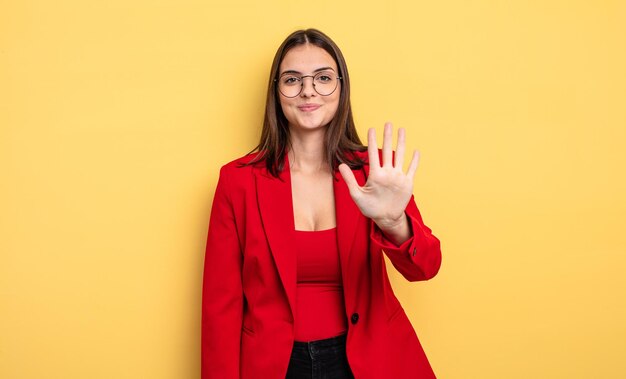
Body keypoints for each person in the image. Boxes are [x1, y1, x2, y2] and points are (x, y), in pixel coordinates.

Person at [202, 28, 442, 379]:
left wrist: (393, 221)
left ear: (341, 88)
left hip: (367, 361)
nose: (308, 90)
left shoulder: (374, 172)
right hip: (275, 366)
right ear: (276, 92)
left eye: (323, 78)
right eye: (292, 79)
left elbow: (426, 267)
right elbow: (219, 308)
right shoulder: (237, 181)